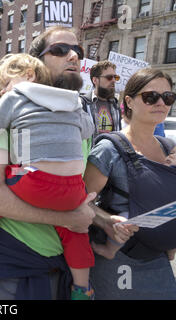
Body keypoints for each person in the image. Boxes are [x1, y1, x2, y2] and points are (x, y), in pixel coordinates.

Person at [0, 26, 131, 300]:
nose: (73, 56)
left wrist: (104, 220)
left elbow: (75, 194)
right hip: (13, 272)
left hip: (63, 269)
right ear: (36, 64)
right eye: (60, 50)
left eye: (77, 50)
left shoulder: (77, 117)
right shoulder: (9, 112)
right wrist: (68, 218)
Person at [0, 53, 96, 299]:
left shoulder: (15, 99)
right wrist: (72, 216)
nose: (2, 93)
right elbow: (88, 129)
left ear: (29, 75)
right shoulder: (74, 104)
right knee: (77, 232)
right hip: (19, 259)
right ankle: (83, 288)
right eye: (60, 50)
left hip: (34, 187)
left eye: (4, 85)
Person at [83, 68, 176, 299]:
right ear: (129, 101)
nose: (161, 103)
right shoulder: (108, 149)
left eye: (168, 97)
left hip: (159, 259)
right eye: (150, 96)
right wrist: (107, 221)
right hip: (120, 260)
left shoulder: (169, 147)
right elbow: (79, 202)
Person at [81, 61, 122, 142]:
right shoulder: (83, 103)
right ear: (95, 80)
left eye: (116, 77)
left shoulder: (115, 105)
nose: (114, 80)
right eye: (109, 77)